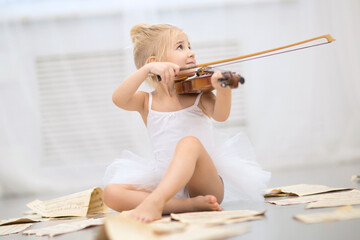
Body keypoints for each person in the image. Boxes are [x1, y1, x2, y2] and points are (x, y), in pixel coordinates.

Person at [103, 23, 270, 222]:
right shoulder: (146, 101)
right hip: (165, 181)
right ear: (156, 62)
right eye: (180, 47)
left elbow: (221, 115)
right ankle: (184, 205)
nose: (191, 53)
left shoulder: (199, 95)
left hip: (203, 183)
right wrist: (146, 69)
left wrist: (223, 89)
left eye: (189, 46)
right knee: (110, 193)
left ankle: (156, 202)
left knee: (189, 143)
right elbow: (118, 98)